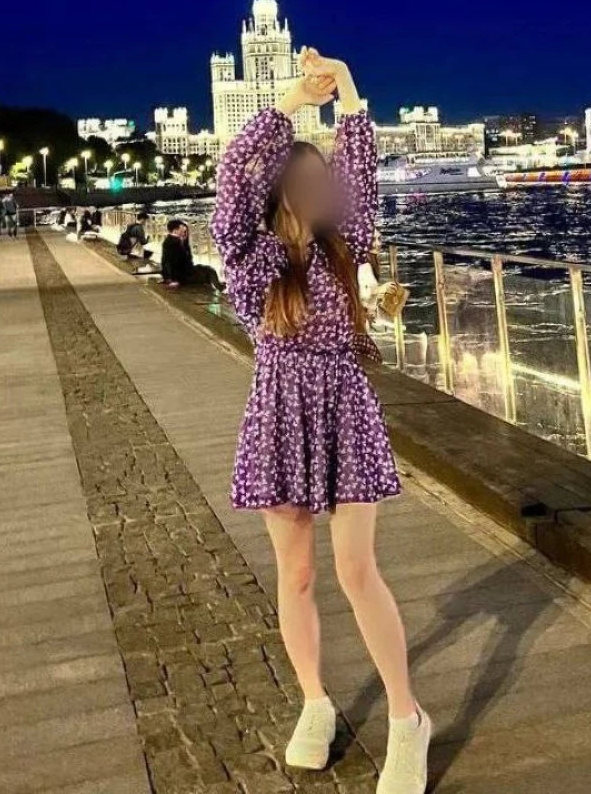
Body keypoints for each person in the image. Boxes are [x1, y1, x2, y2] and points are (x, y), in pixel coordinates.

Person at [211, 50, 429, 794]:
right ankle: (314, 701)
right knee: (296, 573)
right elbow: (232, 173)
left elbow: (362, 164)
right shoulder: (251, 259)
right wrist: (290, 101)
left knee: (356, 570)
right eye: (301, 179)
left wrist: (347, 84)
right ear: (277, 189)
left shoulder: (346, 245)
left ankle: (406, 718)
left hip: (344, 408)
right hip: (278, 411)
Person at [161, 220, 223, 290]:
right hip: (183, 276)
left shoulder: (174, 241)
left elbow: (165, 261)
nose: (185, 231)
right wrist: (174, 280)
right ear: (175, 231)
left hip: (185, 273)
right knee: (209, 270)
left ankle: (217, 287)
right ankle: (220, 288)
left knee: (205, 269)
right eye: (183, 230)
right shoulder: (173, 244)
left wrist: (166, 277)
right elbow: (171, 263)